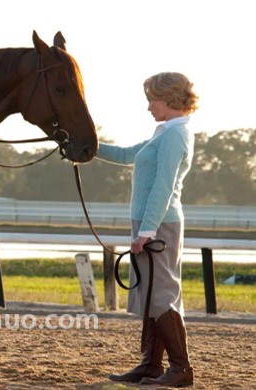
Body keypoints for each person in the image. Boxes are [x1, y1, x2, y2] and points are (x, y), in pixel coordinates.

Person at [99, 72, 198, 387]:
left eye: (150, 100)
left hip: (159, 223)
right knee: (150, 294)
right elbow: (128, 155)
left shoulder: (174, 135)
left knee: (160, 295)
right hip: (149, 222)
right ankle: (151, 365)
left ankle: (180, 369)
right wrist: (86, 145)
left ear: (167, 99)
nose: (148, 108)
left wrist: (148, 231)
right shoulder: (164, 132)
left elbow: (164, 186)